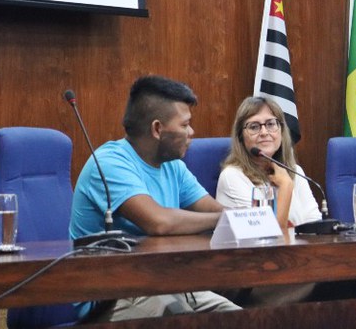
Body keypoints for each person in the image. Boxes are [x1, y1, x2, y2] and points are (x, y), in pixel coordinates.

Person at [69, 75, 240, 321]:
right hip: (111, 296)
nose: (192, 132)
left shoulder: (173, 166)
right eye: (185, 125)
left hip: (166, 284)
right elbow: (158, 222)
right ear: (157, 129)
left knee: (242, 318)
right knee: (181, 320)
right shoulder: (109, 162)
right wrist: (222, 218)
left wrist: (230, 216)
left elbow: (213, 209)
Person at [216, 96, 321, 230]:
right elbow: (268, 233)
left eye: (271, 124)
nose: (264, 132)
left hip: (298, 249)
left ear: (281, 131)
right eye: (254, 127)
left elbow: (315, 224)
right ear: (240, 136)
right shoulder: (232, 176)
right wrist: (286, 186)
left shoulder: (295, 170)